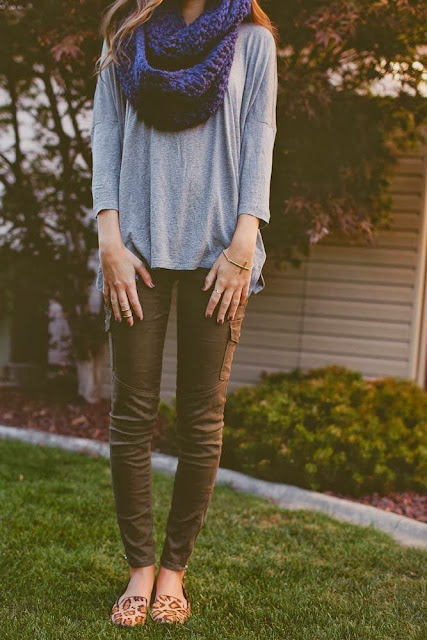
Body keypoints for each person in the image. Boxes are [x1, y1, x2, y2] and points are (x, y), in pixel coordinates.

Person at [91, 0, 278, 626]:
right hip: (136, 253)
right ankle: (140, 569)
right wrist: (109, 242)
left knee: (201, 419)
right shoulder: (128, 37)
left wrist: (244, 243)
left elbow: (260, 137)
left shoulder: (253, 42)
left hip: (218, 256)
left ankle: (174, 569)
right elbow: (105, 137)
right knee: (132, 415)